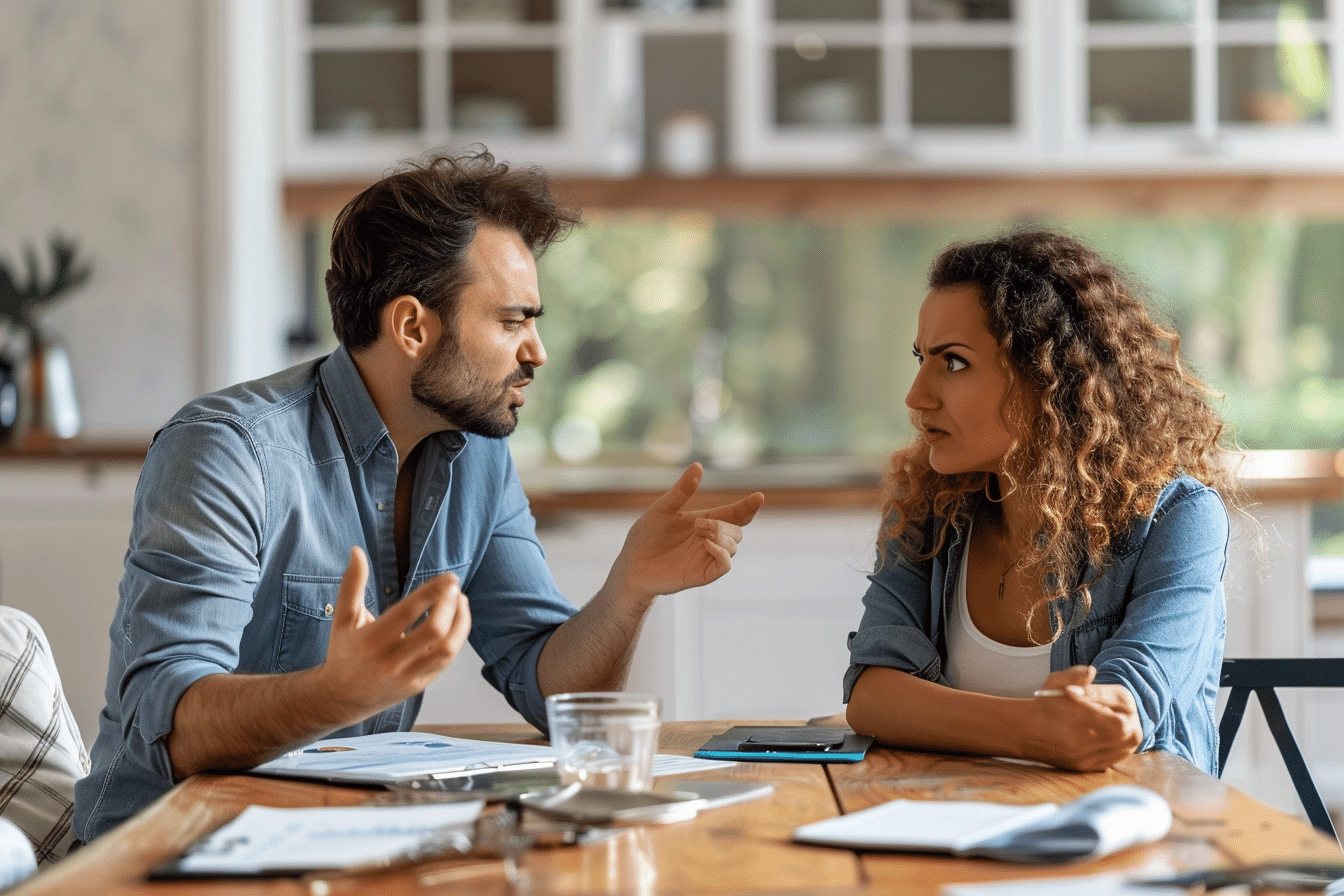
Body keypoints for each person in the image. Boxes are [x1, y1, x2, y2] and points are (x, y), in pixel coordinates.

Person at [74, 149, 765, 840]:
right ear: (410, 327)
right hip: (161, 855)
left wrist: (629, 589)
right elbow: (165, 727)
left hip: (336, 843)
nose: (538, 352)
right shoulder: (229, 450)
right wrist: (334, 693)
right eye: (512, 321)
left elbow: (552, 693)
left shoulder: (480, 456)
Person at [844, 228, 1236, 775]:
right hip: (952, 824)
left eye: (953, 362)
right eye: (920, 358)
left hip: (1128, 836)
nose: (916, 396)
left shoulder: (1179, 517)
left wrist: (1088, 718)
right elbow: (873, 693)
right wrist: (1030, 730)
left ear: (1049, 375)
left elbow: (1126, 707)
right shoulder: (928, 509)